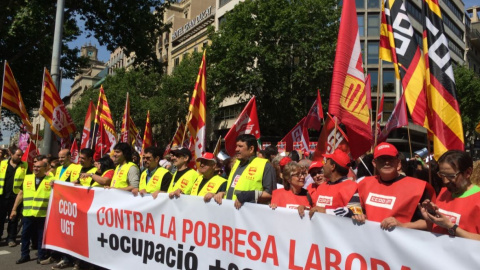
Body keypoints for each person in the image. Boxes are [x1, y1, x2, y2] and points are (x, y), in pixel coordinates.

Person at [353, 142, 436, 230]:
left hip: (400, 241)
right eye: (382, 159)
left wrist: (402, 225)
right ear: (374, 163)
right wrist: (359, 216)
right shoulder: (364, 183)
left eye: (391, 158)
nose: (387, 162)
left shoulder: (418, 188)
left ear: (398, 163)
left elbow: (430, 223)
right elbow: (354, 208)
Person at [419, 150, 480, 240]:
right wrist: (430, 219)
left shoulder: (477, 198)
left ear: (468, 173)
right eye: (442, 175)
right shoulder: (444, 192)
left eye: (451, 176)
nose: (445, 181)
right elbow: (434, 231)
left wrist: (450, 226)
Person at [215, 134, 276, 209]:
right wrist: (223, 193)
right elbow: (234, 189)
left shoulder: (265, 166)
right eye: (236, 146)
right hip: (231, 211)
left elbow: (271, 194)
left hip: (249, 215)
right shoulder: (235, 164)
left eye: (240, 146)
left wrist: (250, 196)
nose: (236, 149)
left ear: (251, 149)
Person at [11, 160, 53, 264]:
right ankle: (24, 255)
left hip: (43, 214)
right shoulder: (27, 178)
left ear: (45, 168)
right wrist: (14, 209)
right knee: (25, 236)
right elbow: (20, 194)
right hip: (28, 213)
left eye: (38, 167)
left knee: (41, 237)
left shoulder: (52, 180)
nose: (35, 168)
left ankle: (41, 256)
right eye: (34, 166)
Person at [300, 149, 359, 219]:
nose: (324, 166)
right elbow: (316, 209)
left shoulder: (352, 187)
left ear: (332, 166)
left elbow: (356, 214)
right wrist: (306, 210)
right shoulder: (322, 187)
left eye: (326, 162)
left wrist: (326, 212)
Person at [0, 145, 27, 247]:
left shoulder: (25, 165)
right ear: (11, 154)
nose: (20, 157)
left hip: (16, 196)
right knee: (1, 218)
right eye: (18, 155)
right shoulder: (2, 163)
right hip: (2, 195)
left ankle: (11, 238)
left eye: (21, 155)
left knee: (13, 219)